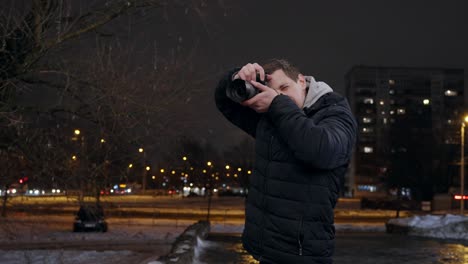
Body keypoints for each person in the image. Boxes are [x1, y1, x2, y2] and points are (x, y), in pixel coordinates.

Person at [214, 59, 357, 264]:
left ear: (301, 81)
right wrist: (236, 77)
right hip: (266, 249)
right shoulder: (272, 117)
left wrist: (277, 103)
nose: (279, 95)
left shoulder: (334, 111)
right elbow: (225, 102)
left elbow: (322, 151)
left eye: (284, 87)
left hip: (302, 254)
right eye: (272, 92)